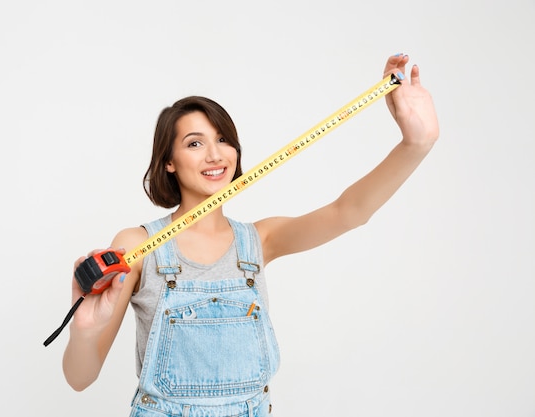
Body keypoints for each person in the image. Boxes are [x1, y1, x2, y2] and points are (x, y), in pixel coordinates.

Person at [61, 54, 439, 416]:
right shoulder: (137, 246)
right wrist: (84, 330)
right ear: (169, 162)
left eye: (223, 139)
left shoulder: (260, 240)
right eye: (195, 143)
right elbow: (80, 379)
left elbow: (349, 212)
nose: (215, 154)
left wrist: (416, 144)